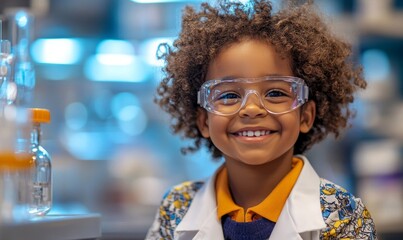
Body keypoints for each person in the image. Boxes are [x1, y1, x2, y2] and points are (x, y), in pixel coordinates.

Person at [146, 0, 377, 239]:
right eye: (229, 95)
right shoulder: (176, 209)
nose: (252, 109)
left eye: (276, 93)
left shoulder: (344, 216)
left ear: (305, 116)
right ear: (204, 121)